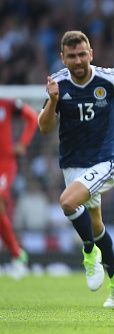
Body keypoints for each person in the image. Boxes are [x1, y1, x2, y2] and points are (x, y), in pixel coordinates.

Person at [38, 31, 114, 307]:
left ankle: (89, 252)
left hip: (105, 163)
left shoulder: (107, 78)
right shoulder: (59, 84)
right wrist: (52, 101)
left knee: (67, 203)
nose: (78, 60)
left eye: (82, 54)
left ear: (91, 53)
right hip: (72, 164)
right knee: (96, 224)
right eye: (72, 56)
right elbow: (44, 127)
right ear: (62, 57)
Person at [0, 98, 37, 280]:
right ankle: (17, 254)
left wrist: (23, 142)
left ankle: (17, 254)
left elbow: (32, 116)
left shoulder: (7, 102)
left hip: (4, 163)